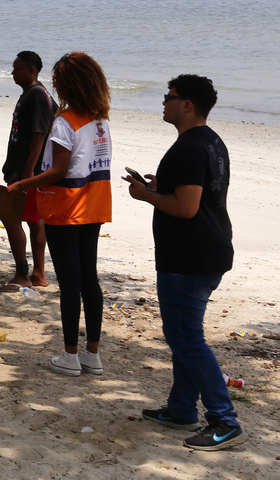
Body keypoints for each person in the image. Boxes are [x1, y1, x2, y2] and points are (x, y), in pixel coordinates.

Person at [125, 75, 247, 451]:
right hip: (205, 251)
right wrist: (162, 185)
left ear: (188, 104)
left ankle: (224, 421)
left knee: (186, 338)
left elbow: (188, 207)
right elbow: (196, 192)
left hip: (190, 258)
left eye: (169, 97)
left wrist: (146, 196)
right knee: (183, 335)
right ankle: (181, 409)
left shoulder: (190, 148)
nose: (164, 102)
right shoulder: (210, 142)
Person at [7, 52, 111, 377]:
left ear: (68, 83)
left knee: (70, 283)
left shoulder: (66, 121)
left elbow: (59, 170)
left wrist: (23, 184)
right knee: (90, 280)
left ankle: (70, 356)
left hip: (65, 207)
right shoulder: (99, 120)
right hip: (94, 204)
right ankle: (92, 353)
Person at [0, 51, 56, 291]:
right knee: (34, 220)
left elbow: (39, 133)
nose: (13, 72)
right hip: (26, 170)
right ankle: (39, 274)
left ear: (32, 70)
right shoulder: (32, 94)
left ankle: (23, 275)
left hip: (29, 172)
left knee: (10, 217)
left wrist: (29, 172)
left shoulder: (37, 95)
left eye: (17, 68)